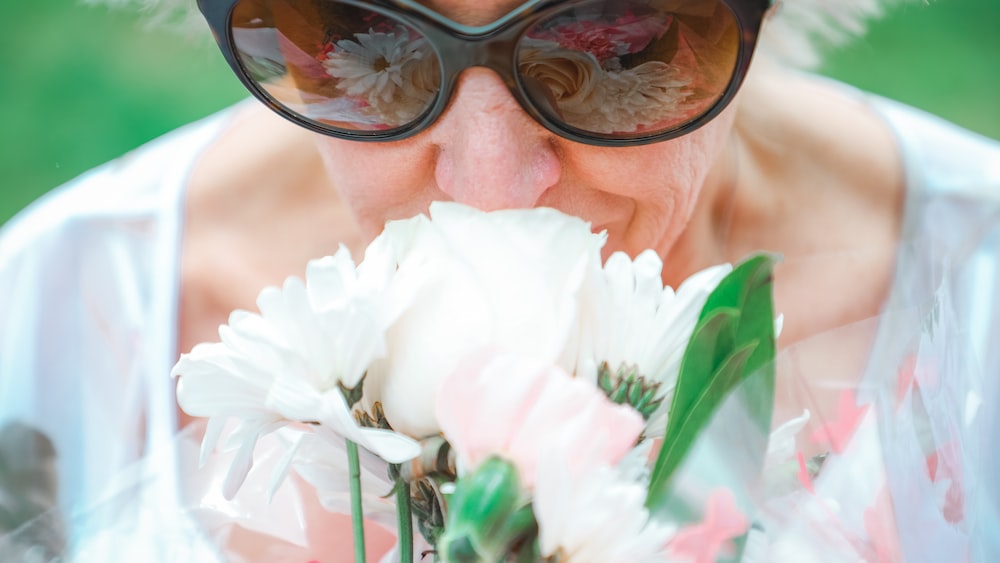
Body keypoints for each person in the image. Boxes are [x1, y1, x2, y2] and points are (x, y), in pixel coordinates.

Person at [1, 0, 998, 560]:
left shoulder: (978, 304)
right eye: (358, 41)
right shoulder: (49, 320)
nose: (490, 186)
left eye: (614, 46)